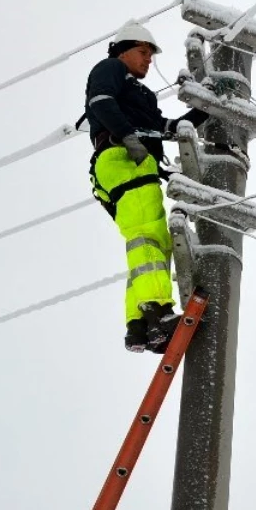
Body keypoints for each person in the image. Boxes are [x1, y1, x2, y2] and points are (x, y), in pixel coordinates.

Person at [84, 21, 207, 353]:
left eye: (150, 55)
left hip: (132, 165)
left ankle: (139, 325)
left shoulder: (141, 95)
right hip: (123, 158)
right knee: (148, 236)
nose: (147, 60)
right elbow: (100, 100)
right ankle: (157, 310)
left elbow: (167, 128)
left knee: (147, 244)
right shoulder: (110, 69)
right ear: (123, 51)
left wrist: (207, 108)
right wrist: (126, 135)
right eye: (142, 52)